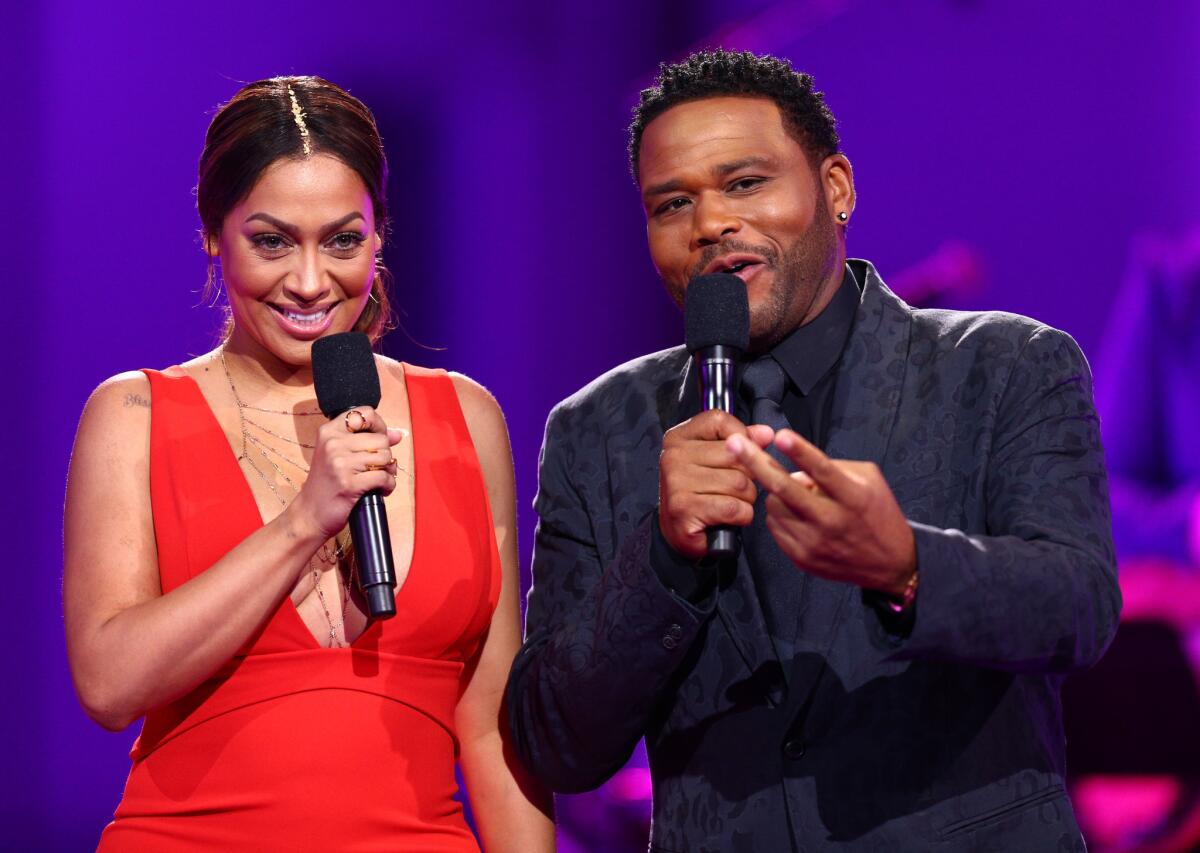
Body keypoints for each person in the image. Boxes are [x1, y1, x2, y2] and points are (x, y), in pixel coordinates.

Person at [506, 50, 1120, 851]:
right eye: (671, 203)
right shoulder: (596, 428)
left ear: (836, 188)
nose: (710, 224)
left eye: (745, 183)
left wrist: (906, 564)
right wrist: (661, 559)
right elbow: (554, 739)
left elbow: (1079, 607)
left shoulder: (1003, 365)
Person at [64, 76, 553, 851]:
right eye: (271, 240)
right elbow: (108, 682)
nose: (309, 281)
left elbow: (492, 723)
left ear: (379, 235)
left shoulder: (467, 415)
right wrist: (302, 522)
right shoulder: (134, 414)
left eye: (342, 239)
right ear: (211, 233)